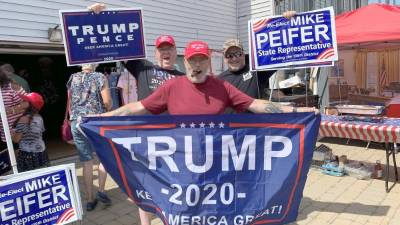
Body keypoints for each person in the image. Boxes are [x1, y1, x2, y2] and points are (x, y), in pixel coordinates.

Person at [89, 3, 185, 102]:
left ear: (176, 52)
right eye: (162, 49)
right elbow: (118, 46)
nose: (166, 52)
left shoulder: (184, 78)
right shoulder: (144, 68)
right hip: (147, 117)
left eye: (169, 49)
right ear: (155, 53)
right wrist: (100, 18)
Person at [67, 64, 113, 211]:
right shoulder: (100, 77)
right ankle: (101, 191)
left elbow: (69, 101)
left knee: (87, 162)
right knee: (103, 157)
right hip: (94, 121)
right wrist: (109, 107)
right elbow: (107, 102)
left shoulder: (72, 77)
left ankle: (89, 200)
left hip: (76, 121)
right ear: (96, 64)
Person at [12, 92, 49, 172]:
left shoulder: (24, 119)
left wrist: (11, 134)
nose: (21, 102)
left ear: (30, 105)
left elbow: (16, 139)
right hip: (41, 153)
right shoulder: (39, 118)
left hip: (27, 154)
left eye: (24, 101)